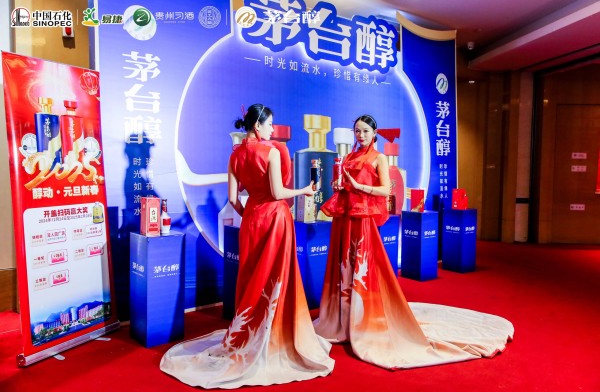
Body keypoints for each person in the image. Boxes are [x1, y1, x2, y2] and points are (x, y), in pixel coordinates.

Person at [314, 114, 513, 369]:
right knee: (344, 267)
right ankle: (342, 316)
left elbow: (386, 190)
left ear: (374, 133)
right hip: (345, 219)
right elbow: (348, 186)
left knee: (362, 267)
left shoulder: (379, 158)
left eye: (365, 131)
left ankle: (363, 316)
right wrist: (341, 186)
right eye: (357, 131)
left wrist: (358, 187)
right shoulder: (350, 157)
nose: (360, 135)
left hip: (362, 220)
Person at [160, 104, 334, 388]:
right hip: (275, 218)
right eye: (270, 124)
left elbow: (232, 199)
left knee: (253, 276)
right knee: (276, 277)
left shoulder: (235, 155)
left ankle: (249, 331)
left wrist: (250, 215)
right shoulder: (272, 152)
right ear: (257, 126)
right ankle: (276, 334)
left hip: (252, 219)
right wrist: (304, 190)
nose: (272, 130)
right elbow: (278, 192)